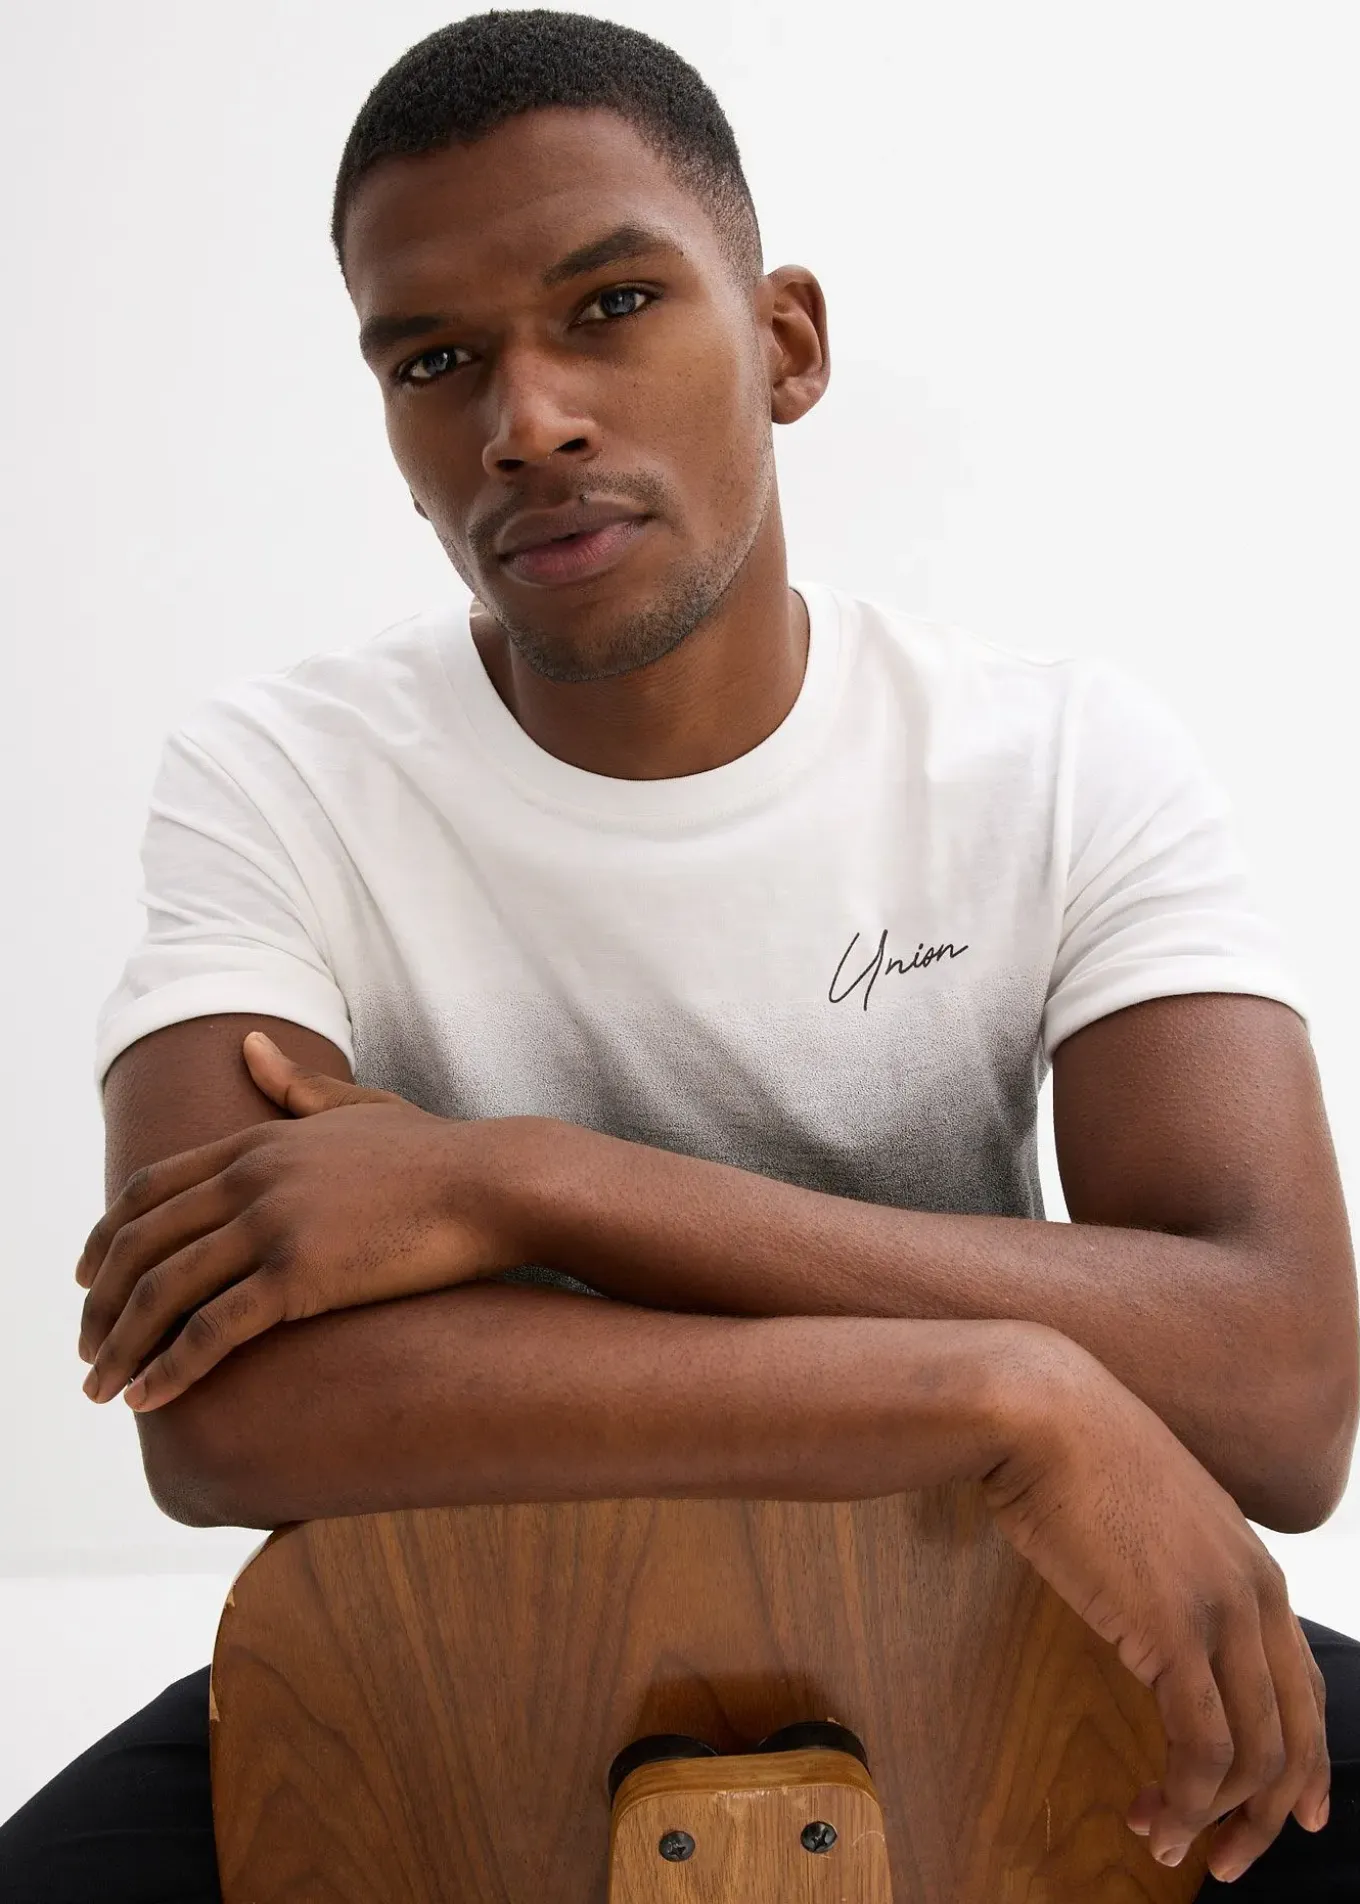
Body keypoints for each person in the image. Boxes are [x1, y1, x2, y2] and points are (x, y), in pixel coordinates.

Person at [3, 10, 1356, 1900]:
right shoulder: (282, 780)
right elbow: (218, 1411)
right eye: (434, 359)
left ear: (785, 343)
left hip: (1023, 1651)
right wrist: (1001, 1391)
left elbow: (1279, 1393)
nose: (527, 420)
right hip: (438, 1666)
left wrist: (516, 1183)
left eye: (613, 306)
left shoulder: (1056, 758)